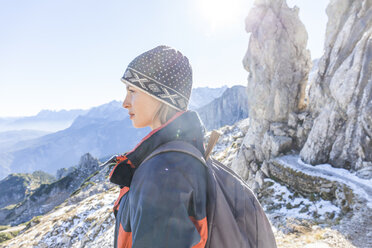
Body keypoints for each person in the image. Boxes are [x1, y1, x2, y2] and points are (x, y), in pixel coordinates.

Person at [110, 45, 208, 248]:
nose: (125, 102)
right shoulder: (180, 156)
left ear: (159, 95)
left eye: (132, 91)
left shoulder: (162, 173)